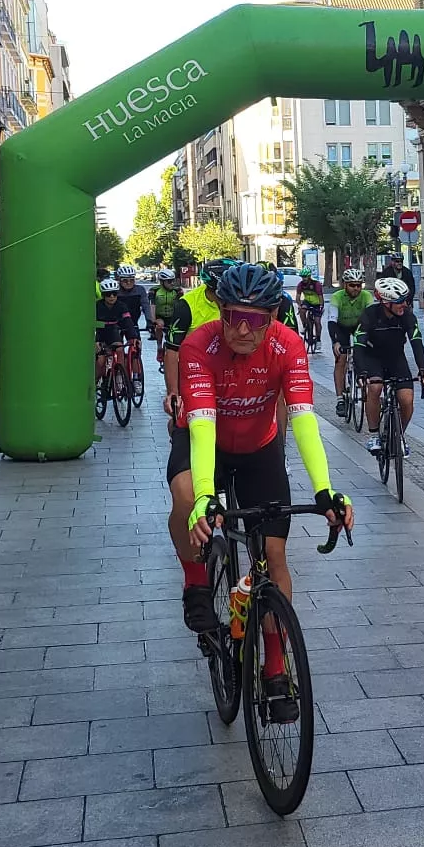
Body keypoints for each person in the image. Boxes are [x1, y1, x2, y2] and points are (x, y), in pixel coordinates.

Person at [178, 264, 351, 723]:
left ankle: (274, 666)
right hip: (207, 442)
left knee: (274, 558)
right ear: (220, 309)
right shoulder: (200, 345)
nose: (242, 329)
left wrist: (324, 490)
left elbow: (303, 418)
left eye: (255, 320)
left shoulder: (288, 345)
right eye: (233, 315)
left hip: (259, 448)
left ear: (274, 315)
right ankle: (197, 585)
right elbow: (200, 425)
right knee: (184, 497)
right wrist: (204, 497)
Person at [161, 261, 226, 629]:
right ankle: (194, 580)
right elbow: (173, 351)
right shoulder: (189, 305)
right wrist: (173, 392)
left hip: (240, 417)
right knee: (186, 497)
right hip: (197, 403)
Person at [357, 278, 424, 455]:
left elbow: (416, 342)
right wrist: (361, 372)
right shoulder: (369, 315)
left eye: (406, 300)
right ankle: (374, 434)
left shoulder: (407, 316)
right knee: (375, 387)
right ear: (385, 302)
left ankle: (399, 435)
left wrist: (422, 369)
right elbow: (358, 346)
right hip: (373, 358)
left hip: (396, 358)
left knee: (407, 399)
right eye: (399, 301)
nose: (404, 304)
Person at [326, 268, 372, 417]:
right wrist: (336, 342)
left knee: (365, 354)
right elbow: (332, 321)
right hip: (341, 328)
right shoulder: (337, 297)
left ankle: (363, 380)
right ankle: (340, 399)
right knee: (341, 359)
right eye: (352, 285)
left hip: (359, 326)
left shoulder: (366, 296)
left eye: (359, 285)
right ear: (345, 285)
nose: (356, 288)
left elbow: (372, 318)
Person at [95, 279, 139, 386]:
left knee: (119, 349)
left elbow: (128, 322)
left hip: (113, 333)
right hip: (100, 334)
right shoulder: (96, 306)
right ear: (103, 295)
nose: (111, 297)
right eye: (108, 294)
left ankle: (119, 374)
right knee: (100, 362)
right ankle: (95, 383)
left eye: (114, 294)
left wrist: (133, 336)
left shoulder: (121, 306)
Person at [294, 268, 325, 349]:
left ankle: (318, 340)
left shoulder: (316, 284)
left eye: (305, 277)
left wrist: (321, 306)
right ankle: (305, 326)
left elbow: (320, 297)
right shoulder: (300, 284)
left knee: (317, 322)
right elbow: (297, 297)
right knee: (302, 310)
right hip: (307, 301)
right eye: (302, 277)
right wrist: (300, 305)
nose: (304, 278)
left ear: (309, 276)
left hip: (317, 303)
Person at [151, 275, 182, 342]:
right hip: (159, 316)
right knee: (160, 325)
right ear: (162, 282)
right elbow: (152, 305)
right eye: (169, 281)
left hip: (172, 316)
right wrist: (153, 320)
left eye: (173, 281)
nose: (172, 283)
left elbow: (181, 305)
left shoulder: (177, 290)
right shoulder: (155, 290)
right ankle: (159, 345)